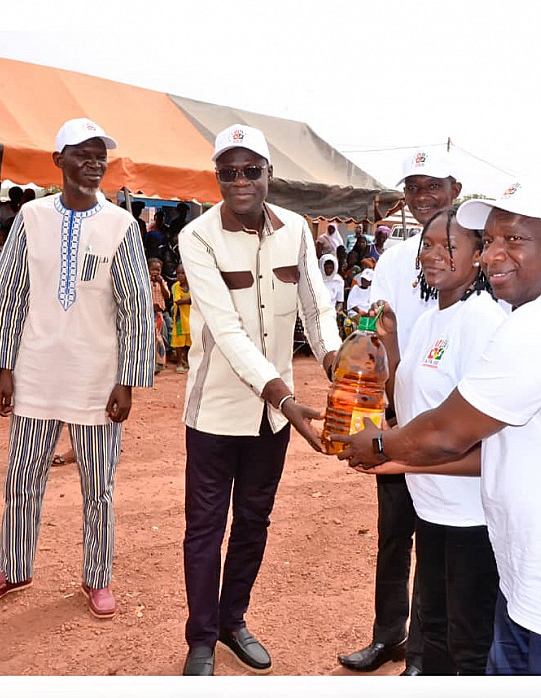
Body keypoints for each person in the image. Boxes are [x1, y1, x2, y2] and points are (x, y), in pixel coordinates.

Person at [334, 181, 541, 676]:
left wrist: (380, 444)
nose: (493, 255)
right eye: (489, 240)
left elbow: (448, 431)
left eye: (513, 240)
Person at [0, 118, 154, 620]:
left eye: (100, 154)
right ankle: (14, 566)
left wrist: (127, 381)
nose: (94, 161)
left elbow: (134, 305)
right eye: (83, 152)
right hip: (35, 372)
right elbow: (8, 293)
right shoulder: (31, 217)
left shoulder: (122, 226)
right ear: (58, 161)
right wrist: (3, 370)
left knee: (99, 485)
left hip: (97, 378)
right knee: (22, 477)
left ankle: (97, 577)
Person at [178, 123, 341, 676]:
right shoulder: (198, 237)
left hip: (272, 420)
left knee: (254, 520)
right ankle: (201, 639)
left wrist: (339, 365)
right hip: (216, 412)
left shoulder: (295, 229)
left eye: (251, 171)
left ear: (270, 175)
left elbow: (316, 308)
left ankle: (233, 620)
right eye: (228, 172)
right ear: (218, 178)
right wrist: (285, 399)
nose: (240, 181)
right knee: (205, 527)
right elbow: (225, 331)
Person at [357, 206, 504, 675]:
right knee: (435, 631)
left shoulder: (482, 321)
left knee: (469, 643)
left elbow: (487, 448)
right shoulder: (428, 320)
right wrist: (392, 346)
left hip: (472, 516)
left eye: (449, 246)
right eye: (428, 245)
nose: (433, 255)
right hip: (433, 507)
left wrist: (394, 460)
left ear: (480, 255)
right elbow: (406, 400)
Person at [338, 147, 463, 676]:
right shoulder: (395, 256)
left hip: (454, 420)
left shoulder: (470, 251)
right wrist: (373, 405)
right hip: (398, 413)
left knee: (444, 537)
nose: (422, 196)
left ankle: (428, 651)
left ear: (454, 188)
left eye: (432, 185)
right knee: (396, 534)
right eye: (413, 188)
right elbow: (378, 331)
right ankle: (388, 636)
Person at [147, 257, 170, 374]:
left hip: (158, 314)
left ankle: (160, 363)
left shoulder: (162, 282)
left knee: (158, 336)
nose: (156, 272)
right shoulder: (145, 282)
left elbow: (167, 296)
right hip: (146, 313)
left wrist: (160, 283)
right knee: (148, 337)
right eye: (153, 270)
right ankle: (150, 362)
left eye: (158, 270)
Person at [171, 263, 191, 373]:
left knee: (189, 342)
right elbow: (178, 301)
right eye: (178, 273)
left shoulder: (193, 286)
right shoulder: (175, 287)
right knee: (179, 343)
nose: (180, 275)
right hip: (180, 320)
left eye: (183, 273)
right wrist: (192, 301)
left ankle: (187, 361)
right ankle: (179, 363)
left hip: (190, 319)